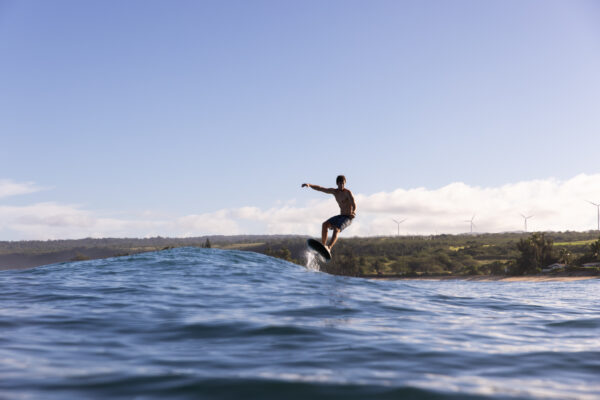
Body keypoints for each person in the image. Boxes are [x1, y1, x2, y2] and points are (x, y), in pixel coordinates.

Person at [302, 175, 356, 251]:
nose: (342, 185)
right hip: (341, 216)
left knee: (336, 229)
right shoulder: (335, 192)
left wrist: (353, 212)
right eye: (340, 184)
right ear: (337, 183)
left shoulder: (347, 193)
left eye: (343, 183)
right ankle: (323, 246)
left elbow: (354, 204)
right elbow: (321, 188)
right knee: (324, 225)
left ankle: (329, 247)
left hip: (348, 217)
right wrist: (310, 185)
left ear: (345, 183)